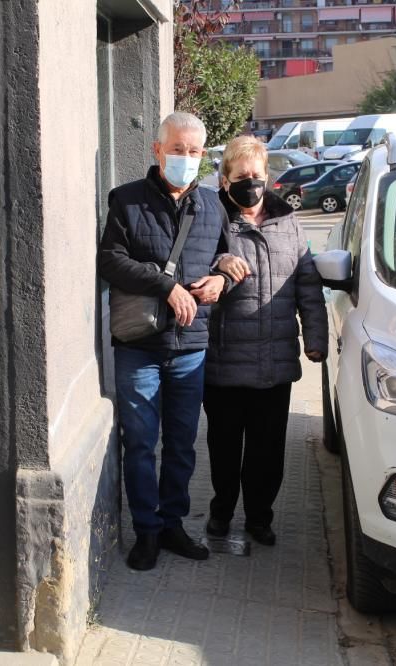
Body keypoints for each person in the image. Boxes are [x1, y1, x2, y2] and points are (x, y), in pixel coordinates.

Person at [97, 112, 248, 571]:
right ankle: (146, 531)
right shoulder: (126, 200)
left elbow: (230, 259)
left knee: (182, 444)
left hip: (191, 347)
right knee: (140, 442)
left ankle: (173, 525)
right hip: (139, 346)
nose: (185, 158)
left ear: (203, 156)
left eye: (194, 151)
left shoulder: (212, 205)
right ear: (157, 150)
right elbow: (110, 261)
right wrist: (167, 286)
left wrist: (223, 280)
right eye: (177, 149)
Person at [205, 135, 328, 546]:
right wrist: (219, 261)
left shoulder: (289, 225)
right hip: (223, 360)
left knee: (267, 451)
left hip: (274, 361)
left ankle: (259, 517)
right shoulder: (212, 220)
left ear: (268, 178)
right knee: (224, 448)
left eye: (257, 175)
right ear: (225, 181)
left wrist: (316, 339)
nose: (251, 183)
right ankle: (221, 512)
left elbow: (307, 285)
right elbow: (191, 262)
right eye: (241, 176)